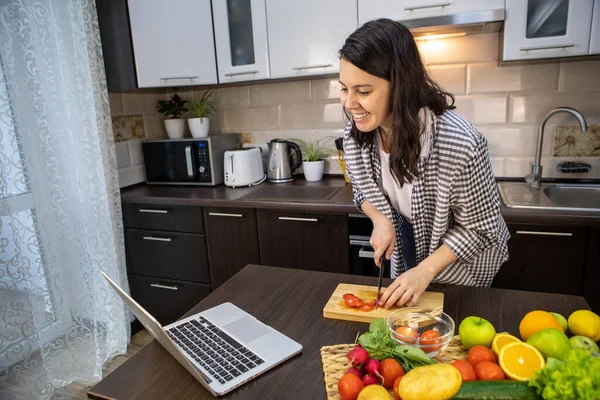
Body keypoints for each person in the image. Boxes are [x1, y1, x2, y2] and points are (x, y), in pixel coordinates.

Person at [340, 19, 510, 309]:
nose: (349, 103)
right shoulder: (357, 136)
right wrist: (380, 220)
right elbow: (361, 191)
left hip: (462, 272)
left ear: (400, 85)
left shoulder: (461, 142)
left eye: (363, 91)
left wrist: (425, 271)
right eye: (344, 88)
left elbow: (481, 229)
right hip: (410, 254)